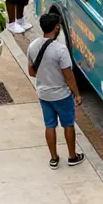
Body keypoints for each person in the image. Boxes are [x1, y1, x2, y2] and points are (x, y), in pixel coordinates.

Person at [27, 12, 85, 169]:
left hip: (44, 95)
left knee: (50, 125)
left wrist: (46, 75)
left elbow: (31, 72)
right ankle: (72, 156)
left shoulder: (32, 46)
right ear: (57, 28)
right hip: (61, 95)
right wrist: (77, 94)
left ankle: (54, 159)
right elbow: (68, 75)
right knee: (68, 125)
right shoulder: (60, 49)